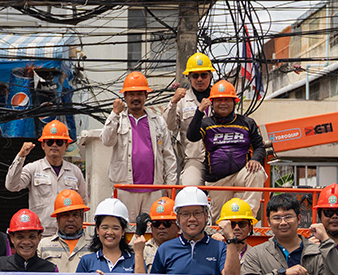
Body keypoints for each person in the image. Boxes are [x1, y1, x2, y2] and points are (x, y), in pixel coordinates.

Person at [186, 79, 266, 219]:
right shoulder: (206, 123)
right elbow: (192, 136)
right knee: (218, 220)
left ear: (234, 102)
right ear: (212, 103)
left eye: (227, 100)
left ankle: (249, 217)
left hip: (241, 174)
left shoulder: (247, 123)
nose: (223, 103)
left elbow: (259, 146)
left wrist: (255, 159)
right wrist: (199, 111)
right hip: (218, 180)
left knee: (257, 172)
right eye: (218, 100)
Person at [101, 71, 177, 220]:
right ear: (125, 96)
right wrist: (114, 113)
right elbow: (106, 140)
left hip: (154, 189)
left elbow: (168, 156)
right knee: (126, 228)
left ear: (146, 96)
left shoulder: (158, 122)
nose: (135, 98)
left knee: (153, 228)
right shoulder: (118, 119)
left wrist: (170, 185)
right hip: (125, 189)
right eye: (131, 94)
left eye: (139, 94)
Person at [5, 119, 87, 234]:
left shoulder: (75, 172)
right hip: (41, 234)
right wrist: (20, 157)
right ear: (43, 145)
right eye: (49, 142)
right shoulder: (33, 169)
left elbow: (83, 203)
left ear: (66, 145)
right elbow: (11, 186)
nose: (54, 145)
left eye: (59, 142)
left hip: (68, 234)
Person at [166, 52, 216, 186]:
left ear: (210, 76)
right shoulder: (182, 101)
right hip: (194, 159)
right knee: (189, 187)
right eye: (195, 76)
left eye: (204, 75)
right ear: (189, 77)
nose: (199, 79)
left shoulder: (220, 98)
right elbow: (170, 126)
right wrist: (173, 102)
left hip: (219, 157)